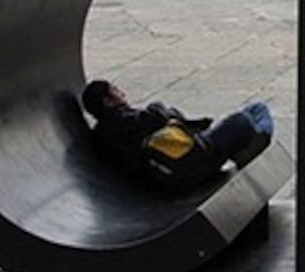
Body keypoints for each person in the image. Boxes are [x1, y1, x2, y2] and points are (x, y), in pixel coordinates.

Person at [79, 80, 274, 190]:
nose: (122, 91)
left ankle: (246, 148)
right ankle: (247, 150)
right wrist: (158, 106)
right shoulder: (120, 122)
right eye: (116, 90)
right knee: (250, 115)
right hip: (194, 159)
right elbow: (159, 115)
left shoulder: (105, 132)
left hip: (182, 158)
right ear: (108, 101)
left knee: (252, 112)